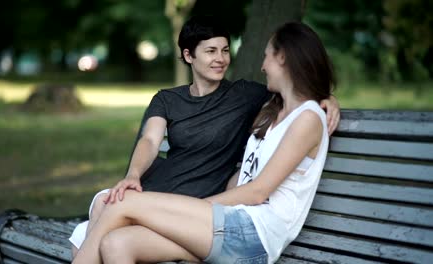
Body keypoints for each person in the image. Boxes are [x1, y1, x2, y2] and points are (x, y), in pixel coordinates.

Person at [69, 15, 340, 256]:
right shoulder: (271, 108)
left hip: (246, 227)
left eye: (224, 50)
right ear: (189, 56)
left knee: (119, 204)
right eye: (211, 51)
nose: (261, 66)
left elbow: (258, 191)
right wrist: (135, 176)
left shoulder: (260, 101)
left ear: (282, 58)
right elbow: (150, 141)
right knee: (116, 242)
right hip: (225, 215)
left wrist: (325, 99)